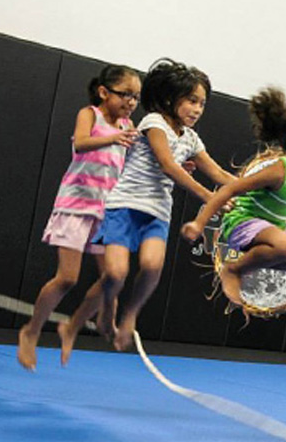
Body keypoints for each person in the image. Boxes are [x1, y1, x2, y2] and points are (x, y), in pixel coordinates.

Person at [73, 58, 233, 355]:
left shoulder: (192, 139)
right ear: (171, 99)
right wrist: (209, 197)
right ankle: (109, 307)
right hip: (124, 205)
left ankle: (130, 314)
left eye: (202, 103)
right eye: (192, 101)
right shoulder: (154, 122)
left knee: (151, 266)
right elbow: (168, 165)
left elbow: (220, 174)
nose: (198, 109)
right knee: (116, 274)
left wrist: (252, 189)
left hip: (157, 211)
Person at [16, 65, 141, 370]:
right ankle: (31, 331)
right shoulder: (91, 115)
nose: (131, 102)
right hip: (76, 205)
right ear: (104, 92)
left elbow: (138, 155)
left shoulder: (128, 125)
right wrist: (114, 137)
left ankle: (87, 323)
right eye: (126, 94)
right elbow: (81, 143)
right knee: (67, 278)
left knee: (114, 277)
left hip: (106, 211)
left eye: (136, 97)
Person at [181, 88, 286, 308]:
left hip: (274, 230)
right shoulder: (278, 171)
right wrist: (199, 223)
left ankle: (254, 263)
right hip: (242, 222)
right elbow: (229, 190)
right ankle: (233, 269)